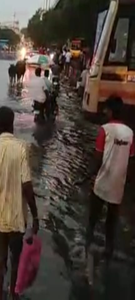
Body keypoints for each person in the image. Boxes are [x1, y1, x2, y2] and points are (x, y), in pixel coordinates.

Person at [0, 106, 39, 300]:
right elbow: (27, 186)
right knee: (16, 260)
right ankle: (14, 294)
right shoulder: (21, 148)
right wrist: (35, 215)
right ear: (12, 125)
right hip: (17, 219)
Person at [86, 96, 134, 263]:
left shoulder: (104, 130)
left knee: (93, 217)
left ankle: (87, 245)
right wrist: (128, 181)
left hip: (102, 183)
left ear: (112, 111)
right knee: (111, 222)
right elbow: (131, 160)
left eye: (106, 109)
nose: (104, 112)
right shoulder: (130, 134)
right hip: (118, 186)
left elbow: (98, 157)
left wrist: (89, 175)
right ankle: (109, 251)